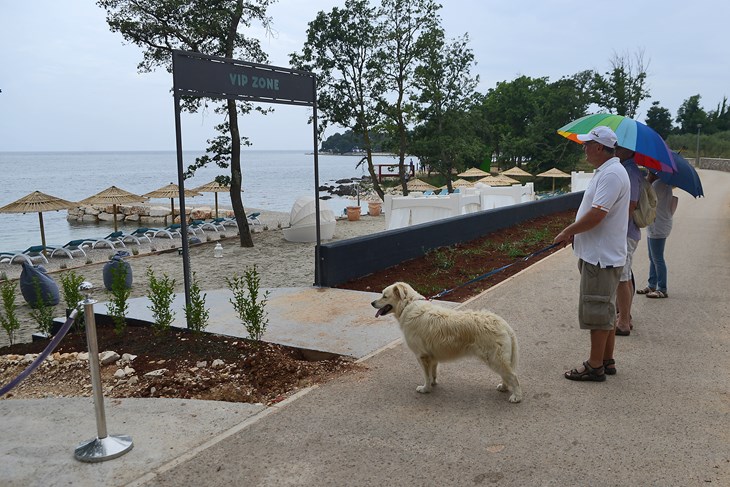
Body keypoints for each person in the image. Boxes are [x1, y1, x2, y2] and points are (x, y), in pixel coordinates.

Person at [553, 126, 630, 382]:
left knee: (597, 312)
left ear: (599, 148)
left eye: (587, 144)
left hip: (600, 256)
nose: (584, 148)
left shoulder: (611, 175)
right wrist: (577, 233)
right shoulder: (609, 171)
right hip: (600, 254)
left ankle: (595, 365)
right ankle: (606, 360)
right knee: (605, 310)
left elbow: (598, 214)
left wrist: (568, 231)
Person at [614, 146, 644, 336]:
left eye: (619, 147)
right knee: (624, 275)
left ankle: (624, 321)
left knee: (622, 276)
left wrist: (617, 230)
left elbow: (631, 205)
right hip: (627, 232)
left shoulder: (630, 171)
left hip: (625, 232)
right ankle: (624, 316)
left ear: (629, 150)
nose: (615, 149)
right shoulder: (629, 169)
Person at [636, 172, 675, 298]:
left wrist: (648, 181)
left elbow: (645, 199)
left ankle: (662, 288)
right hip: (656, 225)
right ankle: (652, 284)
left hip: (658, 226)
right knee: (653, 257)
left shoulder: (659, 185)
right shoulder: (664, 184)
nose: (648, 171)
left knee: (657, 258)